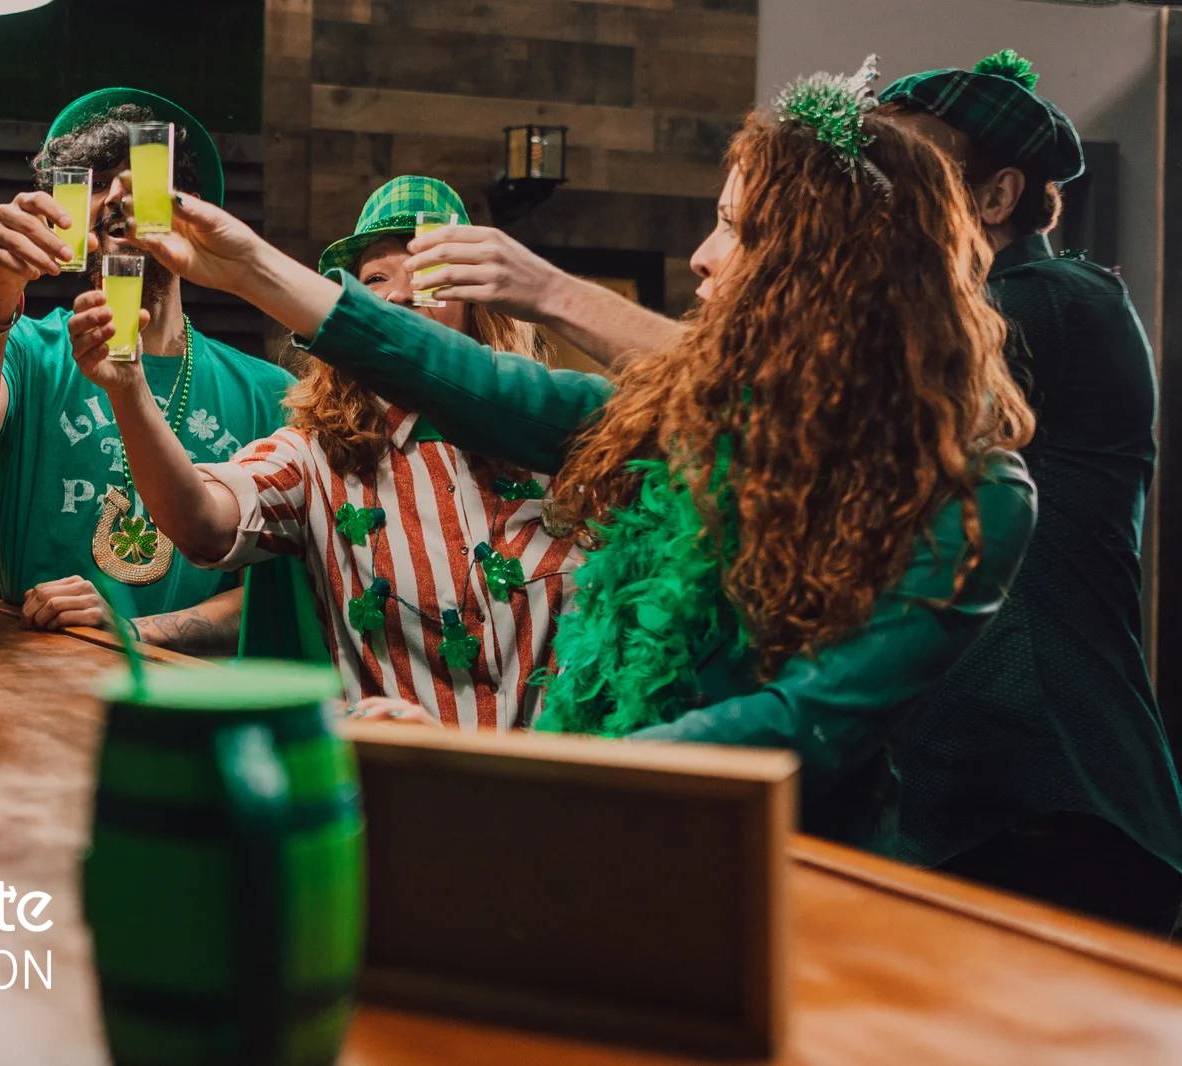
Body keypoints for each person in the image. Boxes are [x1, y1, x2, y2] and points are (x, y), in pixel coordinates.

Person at [112, 58, 1042, 860]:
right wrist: (245, 268)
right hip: (590, 841)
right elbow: (480, 387)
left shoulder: (975, 495)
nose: (703, 257)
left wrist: (507, 765)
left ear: (829, 267)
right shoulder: (687, 415)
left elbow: (804, 720)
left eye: (740, 229)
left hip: (793, 883)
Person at [73, 176, 578, 730]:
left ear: (479, 304)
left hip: (556, 796)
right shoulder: (318, 457)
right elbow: (200, 521)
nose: (398, 295)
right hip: (394, 790)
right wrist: (129, 390)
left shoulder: (559, 441)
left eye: (430, 274)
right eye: (376, 279)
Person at [876, 50, 1182, 933]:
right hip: (982, 803)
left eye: (906, 173)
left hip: (1049, 798)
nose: (876, 195)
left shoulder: (1047, 300)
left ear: (997, 197)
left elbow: (812, 403)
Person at [0, 89, 293, 652]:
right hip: (35, 678)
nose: (107, 232)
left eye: (128, 205)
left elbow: (278, 592)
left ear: (188, 213)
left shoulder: (269, 393)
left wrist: (130, 634)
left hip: (191, 703)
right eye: (92, 214)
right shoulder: (32, 349)